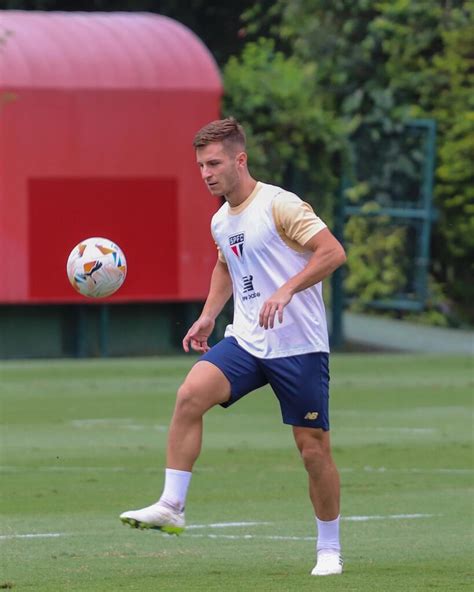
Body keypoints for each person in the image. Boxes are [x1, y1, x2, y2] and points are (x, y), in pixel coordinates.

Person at [120, 117, 347, 577]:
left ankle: (329, 549)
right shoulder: (221, 219)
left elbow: (332, 252)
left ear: (239, 160)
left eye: (214, 163)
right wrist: (208, 314)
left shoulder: (280, 205)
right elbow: (227, 264)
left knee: (312, 450)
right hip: (246, 340)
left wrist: (287, 289)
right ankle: (172, 504)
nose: (206, 173)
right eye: (201, 165)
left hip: (298, 345)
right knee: (189, 396)